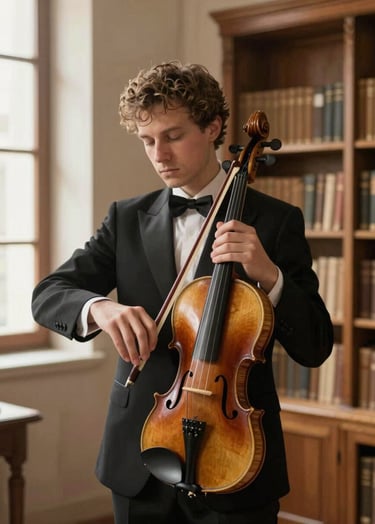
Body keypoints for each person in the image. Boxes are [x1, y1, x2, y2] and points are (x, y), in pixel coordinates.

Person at [32, 61, 333, 524]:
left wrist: (271, 277)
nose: (159, 154)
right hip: (141, 453)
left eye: (172, 136)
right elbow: (49, 294)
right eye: (147, 140)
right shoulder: (127, 218)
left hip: (237, 455)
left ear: (213, 127)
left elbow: (315, 345)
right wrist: (101, 308)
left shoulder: (274, 221)